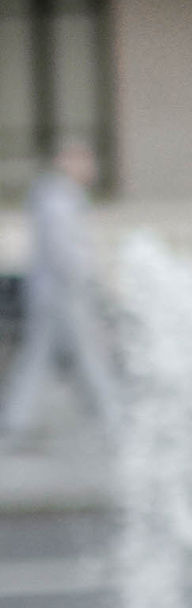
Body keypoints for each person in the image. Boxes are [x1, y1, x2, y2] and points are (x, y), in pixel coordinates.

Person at [1, 137, 117, 443]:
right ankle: (113, 417)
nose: (91, 169)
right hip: (62, 294)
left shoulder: (59, 196)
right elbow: (65, 252)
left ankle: (17, 420)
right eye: (85, 161)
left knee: (39, 357)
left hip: (56, 293)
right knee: (88, 356)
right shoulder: (56, 198)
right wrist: (87, 282)